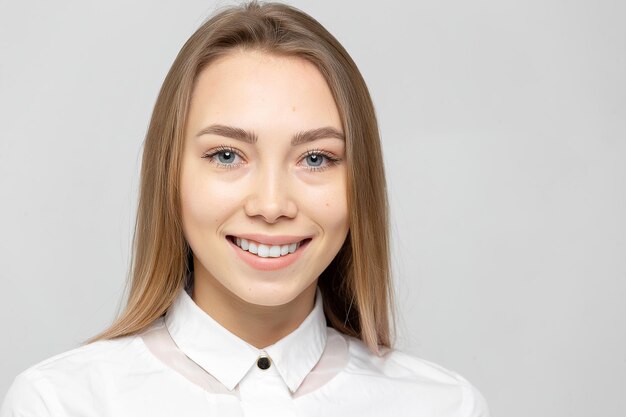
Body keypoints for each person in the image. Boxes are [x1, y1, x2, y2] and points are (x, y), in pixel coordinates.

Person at [1, 1, 490, 416]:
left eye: (315, 158)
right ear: (170, 177)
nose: (272, 205)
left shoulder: (445, 406)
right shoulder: (61, 404)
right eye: (227, 155)